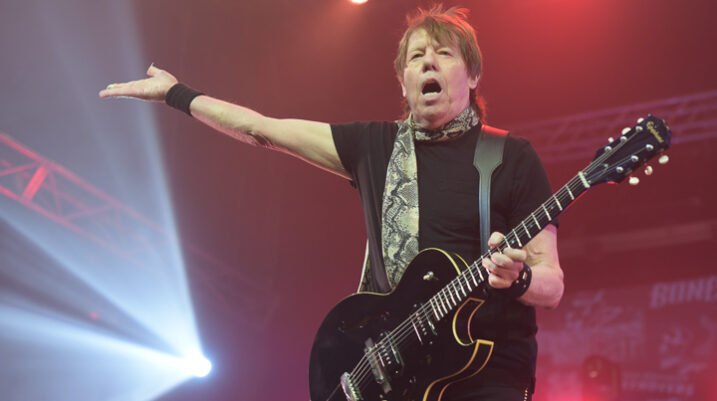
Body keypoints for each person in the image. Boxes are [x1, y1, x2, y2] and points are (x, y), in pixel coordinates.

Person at [100, 5, 563, 400]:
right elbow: (262, 128)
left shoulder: (509, 157)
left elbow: (553, 284)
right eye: (416, 56)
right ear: (402, 82)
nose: (428, 63)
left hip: (488, 371)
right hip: (400, 369)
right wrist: (176, 95)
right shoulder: (375, 147)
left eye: (444, 53)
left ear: (473, 74)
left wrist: (519, 277)